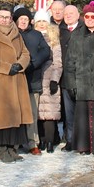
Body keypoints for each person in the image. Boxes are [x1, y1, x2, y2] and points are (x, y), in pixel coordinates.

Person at [0, 7, 33, 162]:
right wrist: (7, 68)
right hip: (0, 81)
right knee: (2, 118)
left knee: (16, 117)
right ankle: (2, 150)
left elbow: (25, 53)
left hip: (17, 79)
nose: (4, 20)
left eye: (7, 17)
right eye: (1, 17)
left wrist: (20, 65)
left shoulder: (16, 33)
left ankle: (13, 149)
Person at [66, 1, 94, 155]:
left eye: (93, 16)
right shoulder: (76, 35)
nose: (90, 19)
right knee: (83, 117)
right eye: (87, 16)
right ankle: (83, 146)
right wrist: (71, 83)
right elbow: (70, 61)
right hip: (82, 82)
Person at [15, 7, 50, 154]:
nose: (23, 21)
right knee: (16, 113)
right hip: (15, 79)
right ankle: (15, 144)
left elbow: (46, 51)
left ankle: (32, 142)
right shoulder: (11, 35)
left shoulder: (36, 35)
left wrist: (33, 64)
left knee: (32, 114)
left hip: (32, 80)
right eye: (20, 19)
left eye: (25, 19)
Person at [34, 12, 63, 152]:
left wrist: (54, 80)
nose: (41, 23)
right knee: (38, 112)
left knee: (50, 113)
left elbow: (58, 63)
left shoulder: (54, 40)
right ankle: (42, 140)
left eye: (43, 21)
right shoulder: (33, 37)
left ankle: (50, 141)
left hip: (50, 78)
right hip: (36, 79)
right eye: (38, 21)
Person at [59, 4, 81, 150]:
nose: (68, 16)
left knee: (82, 112)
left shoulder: (84, 30)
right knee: (69, 113)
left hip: (82, 78)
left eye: (71, 13)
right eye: (65, 13)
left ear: (78, 15)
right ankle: (70, 140)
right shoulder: (59, 31)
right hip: (65, 78)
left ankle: (83, 141)